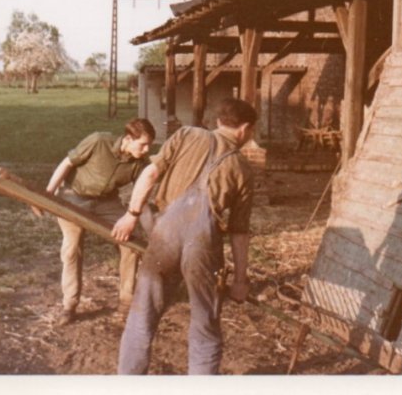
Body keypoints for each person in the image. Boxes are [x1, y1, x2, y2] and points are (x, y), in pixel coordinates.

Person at [111, 98, 257, 375]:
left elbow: (150, 173)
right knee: (205, 326)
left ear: (218, 122)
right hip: (203, 245)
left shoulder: (187, 134)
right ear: (245, 129)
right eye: (251, 132)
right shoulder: (243, 169)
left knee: (142, 317)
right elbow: (239, 232)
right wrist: (240, 280)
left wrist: (132, 214)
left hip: (163, 234)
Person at [38, 118, 155, 326]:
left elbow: (141, 196)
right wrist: (47, 194)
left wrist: (147, 228)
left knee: (130, 244)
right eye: (143, 144)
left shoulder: (140, 163)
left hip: (107, 203)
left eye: (149, 146)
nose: (146, 150)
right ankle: (70, 305)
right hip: (74, 197)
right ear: (128, 139)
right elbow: (67, 163)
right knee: (72, 248)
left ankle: (126, 303)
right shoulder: (99, 141)